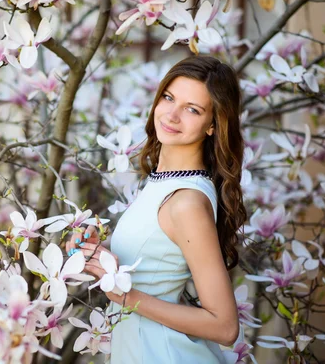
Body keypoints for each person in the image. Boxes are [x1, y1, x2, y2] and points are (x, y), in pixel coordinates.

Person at [66, 56, 247, 363]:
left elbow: (225, 326)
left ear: (213, 125)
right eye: (168, 97)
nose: (172, 115)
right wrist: (97, 252)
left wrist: (125, 296)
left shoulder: (186, 202)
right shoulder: (164, 182)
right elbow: (159, 264)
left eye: (192, 109)